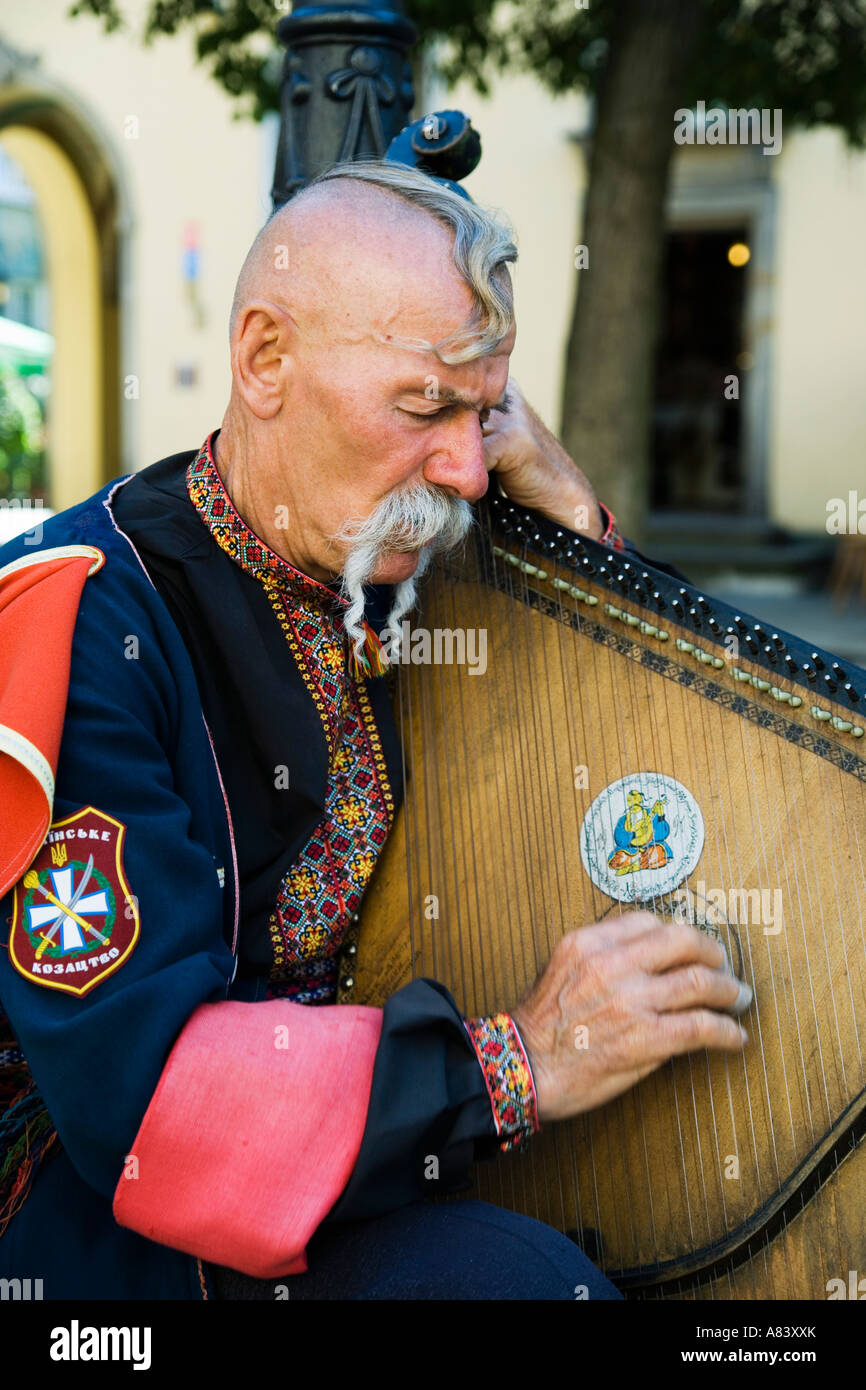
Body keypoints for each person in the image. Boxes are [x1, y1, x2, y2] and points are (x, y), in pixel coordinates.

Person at [0, 160, 751, 1300]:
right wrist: (520, 1061)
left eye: (485, 411)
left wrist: (573, 529)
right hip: (113, 1237)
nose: (461, 468)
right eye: (421, 406)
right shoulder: (79, 618)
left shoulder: (419, 558)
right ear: (263, 360)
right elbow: (144, 1105)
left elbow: (687, 732)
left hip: (390, 1152)